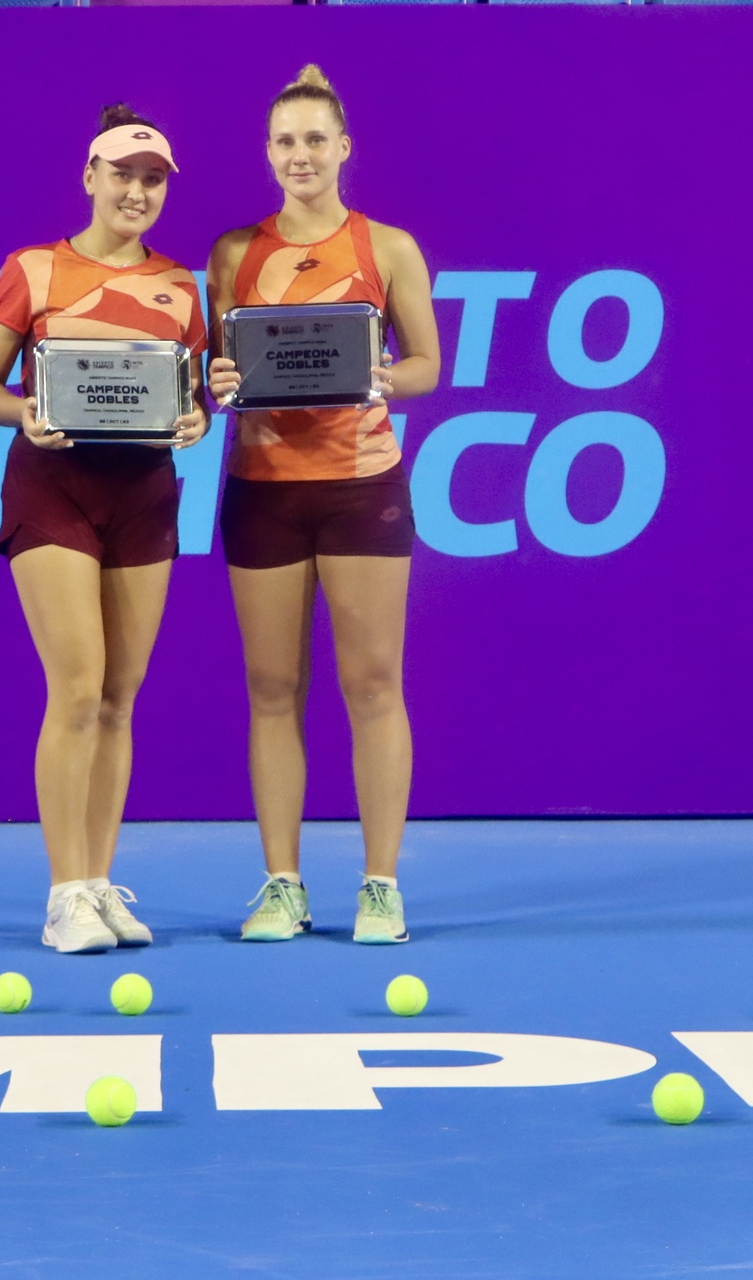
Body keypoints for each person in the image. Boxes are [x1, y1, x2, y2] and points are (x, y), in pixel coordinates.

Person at [0, 105, 209, 955]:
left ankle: (100, 884)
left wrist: (196, 421)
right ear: (91, 177)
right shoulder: (32, 269)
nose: (137, 192)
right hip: (53, 489)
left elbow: (190, 397)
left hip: (144, 495)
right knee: (76, 688)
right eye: (123, 175)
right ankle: (64, 893)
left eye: (152, 180)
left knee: (117, 700)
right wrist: (24, 414)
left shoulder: (182, 286)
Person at [205, 65, 441, 945]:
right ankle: (282, 886)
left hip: (361, 486)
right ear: (267, 154)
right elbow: (219, 368)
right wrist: (216, 382)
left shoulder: (390, 248)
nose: (299, 155)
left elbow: (426, 365)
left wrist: (381, 376)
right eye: (284, 141)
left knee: (373, 685)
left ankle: (380, 887)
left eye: (314, 139)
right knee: (272, 690)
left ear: (344, 148)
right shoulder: (233, 253)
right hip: (262, 490)